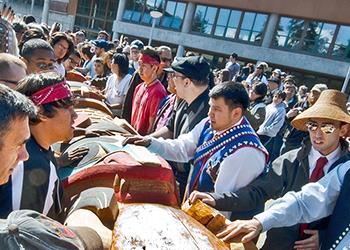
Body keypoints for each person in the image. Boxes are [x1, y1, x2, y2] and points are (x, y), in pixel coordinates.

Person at [190, 89, 350, 250]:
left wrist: (325, 236)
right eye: (312, 125)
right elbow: (258, 191)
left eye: (327, 127)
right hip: (278, 244)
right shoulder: (290, 160)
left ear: (342, 130)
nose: (317, 133)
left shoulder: (346, 171)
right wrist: (217, 199)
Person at [125, 82, 268, 219]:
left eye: (217, 109)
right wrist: (151, 143)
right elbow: (183, 148)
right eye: (210, 107)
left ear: (236, 113)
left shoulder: (246, 151)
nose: (210, 113)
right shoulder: (209, 124)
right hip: (197, 212)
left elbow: (224, 206)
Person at [0, 85, 105, 250]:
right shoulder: (32, 167)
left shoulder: (42, 156)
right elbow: (26, 238)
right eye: (18, 144)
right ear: (41, 112)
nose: (24, 156)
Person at [8, 72, 77, 221]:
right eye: (68, 109)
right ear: (40, 113)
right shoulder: (28, 165)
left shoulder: (38, 148)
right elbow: (24, 237)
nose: (75, 115)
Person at [149, 55, 211, 198]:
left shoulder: (210, 111)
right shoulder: (183, 100)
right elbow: (170, 129)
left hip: (190, 184)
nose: (171, 79)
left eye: (174, 75)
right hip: (172, 170)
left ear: (187, 82)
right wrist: (144, 140)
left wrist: (150, 143)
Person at [131, 46, 167, 135]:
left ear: (154, 68)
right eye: (139, 65)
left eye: (144, 66)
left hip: (142, 142)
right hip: (132, 136)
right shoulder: (139, 87)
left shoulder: (158, 92)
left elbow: (152, 126)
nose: (140, 69)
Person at [257, 90, 286, 161]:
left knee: (262, 154)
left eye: (279, 98)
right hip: (259, 132)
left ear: (282, 99)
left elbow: (277, 125)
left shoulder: (281, 110)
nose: (276, 99)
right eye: (275, 96)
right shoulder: (268, 106)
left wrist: (265, 130)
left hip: (268, 135)